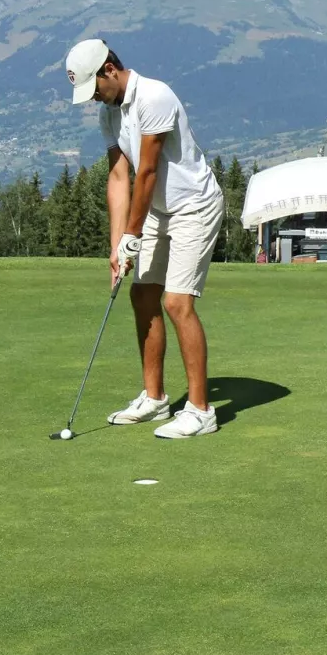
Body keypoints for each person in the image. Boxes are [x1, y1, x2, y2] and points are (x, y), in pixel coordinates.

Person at [65, 38, 226, 439]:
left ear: (109, 70)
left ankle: (201, 410)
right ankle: (155, 398)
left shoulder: (154, 96)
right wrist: (117, 246)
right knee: (141, 295)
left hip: (194, 207)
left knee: (176, 302)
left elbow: (148, 172)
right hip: (155, 209)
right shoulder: (110, 114)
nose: (94, 99)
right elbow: (119, 178)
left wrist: (133, 234)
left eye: (95, 89)